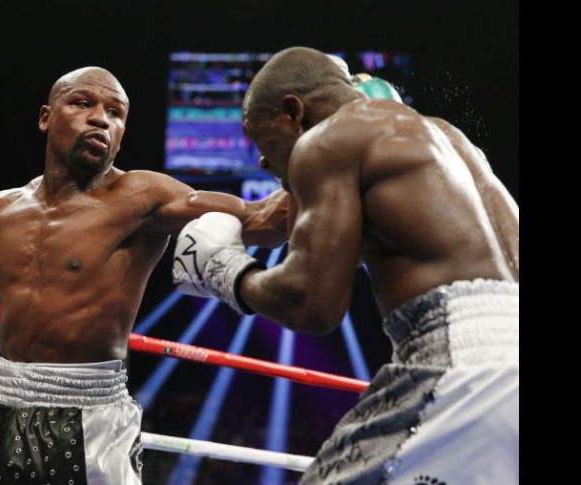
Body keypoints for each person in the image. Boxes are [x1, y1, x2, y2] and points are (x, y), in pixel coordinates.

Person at [0, 66, 290, 485]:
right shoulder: (1, 210)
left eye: (115, 113)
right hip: (0, 410)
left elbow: (262, 218)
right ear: (46, 117)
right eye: (82, 103)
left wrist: (330, 155)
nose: (100, 118)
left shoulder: (142, 197)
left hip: (86, 423)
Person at [172, 47, 518, 484]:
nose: (261, 159)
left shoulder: (326, 140)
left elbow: (312, 302)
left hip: (460, 361)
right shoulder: (449, 141)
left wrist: (228, 272)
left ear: (293, 112)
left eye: (260, 139)